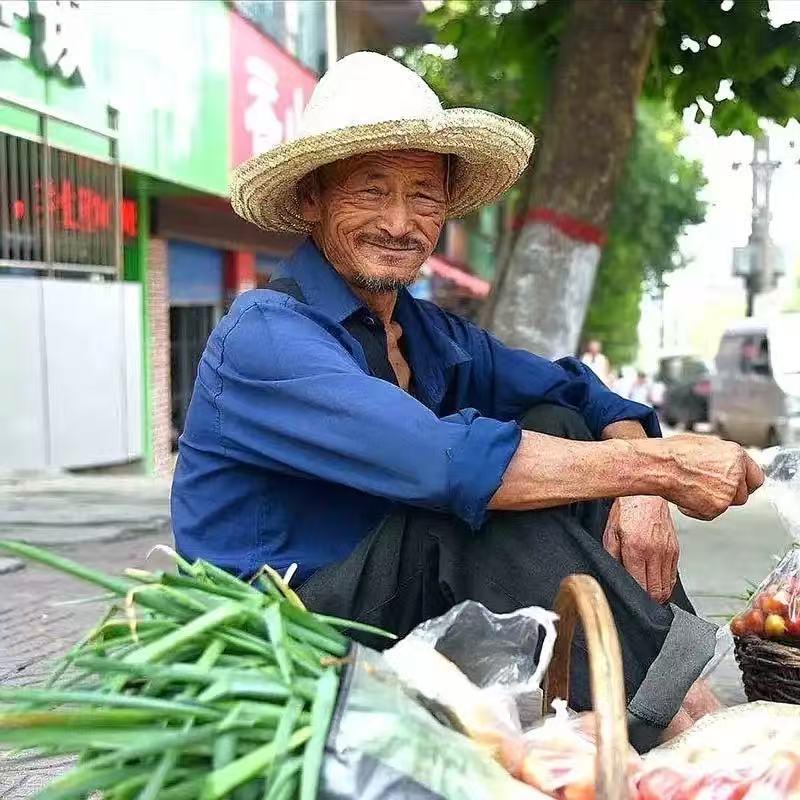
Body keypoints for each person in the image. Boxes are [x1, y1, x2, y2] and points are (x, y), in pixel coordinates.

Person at [171, 52, 763, 749]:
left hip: (392, 609)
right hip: (287, 632)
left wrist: (642, 487)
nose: (400, 222)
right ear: (312, 200)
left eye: (423, 195)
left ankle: (679, 700)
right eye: (371, 191)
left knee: (558, 425)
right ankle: (682, 728)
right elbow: (448, 464)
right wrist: (664, 469)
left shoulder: (426, 332)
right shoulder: (265, 337)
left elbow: (580, 391)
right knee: (469, 512)